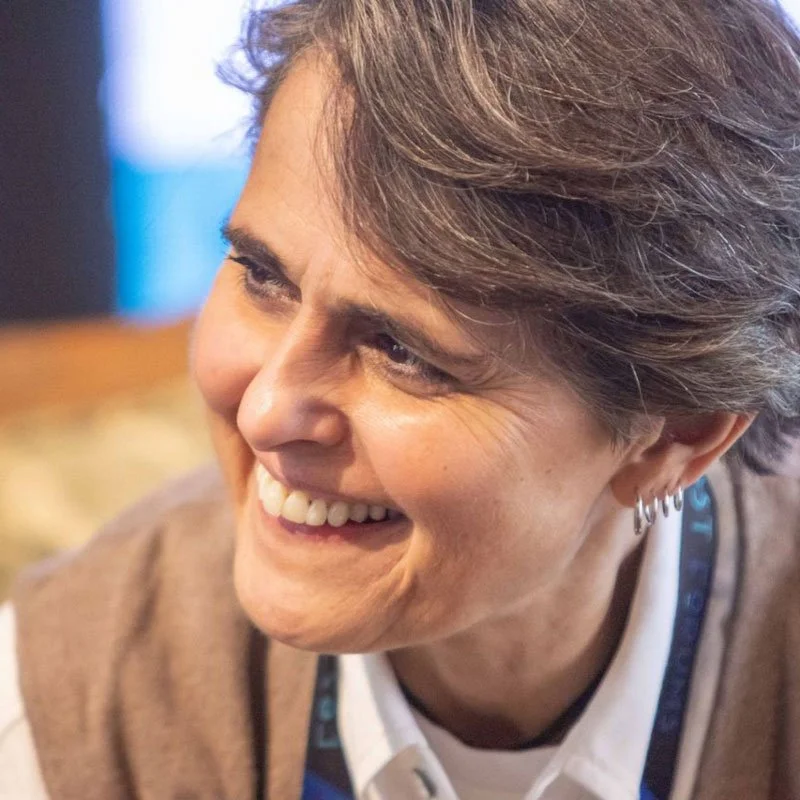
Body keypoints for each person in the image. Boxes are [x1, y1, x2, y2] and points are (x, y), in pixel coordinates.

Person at [2, 0, 800, 797]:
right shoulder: (63, 710)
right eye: (263, 276)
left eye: (400, 350)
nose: (264, 413)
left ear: (676, 436)